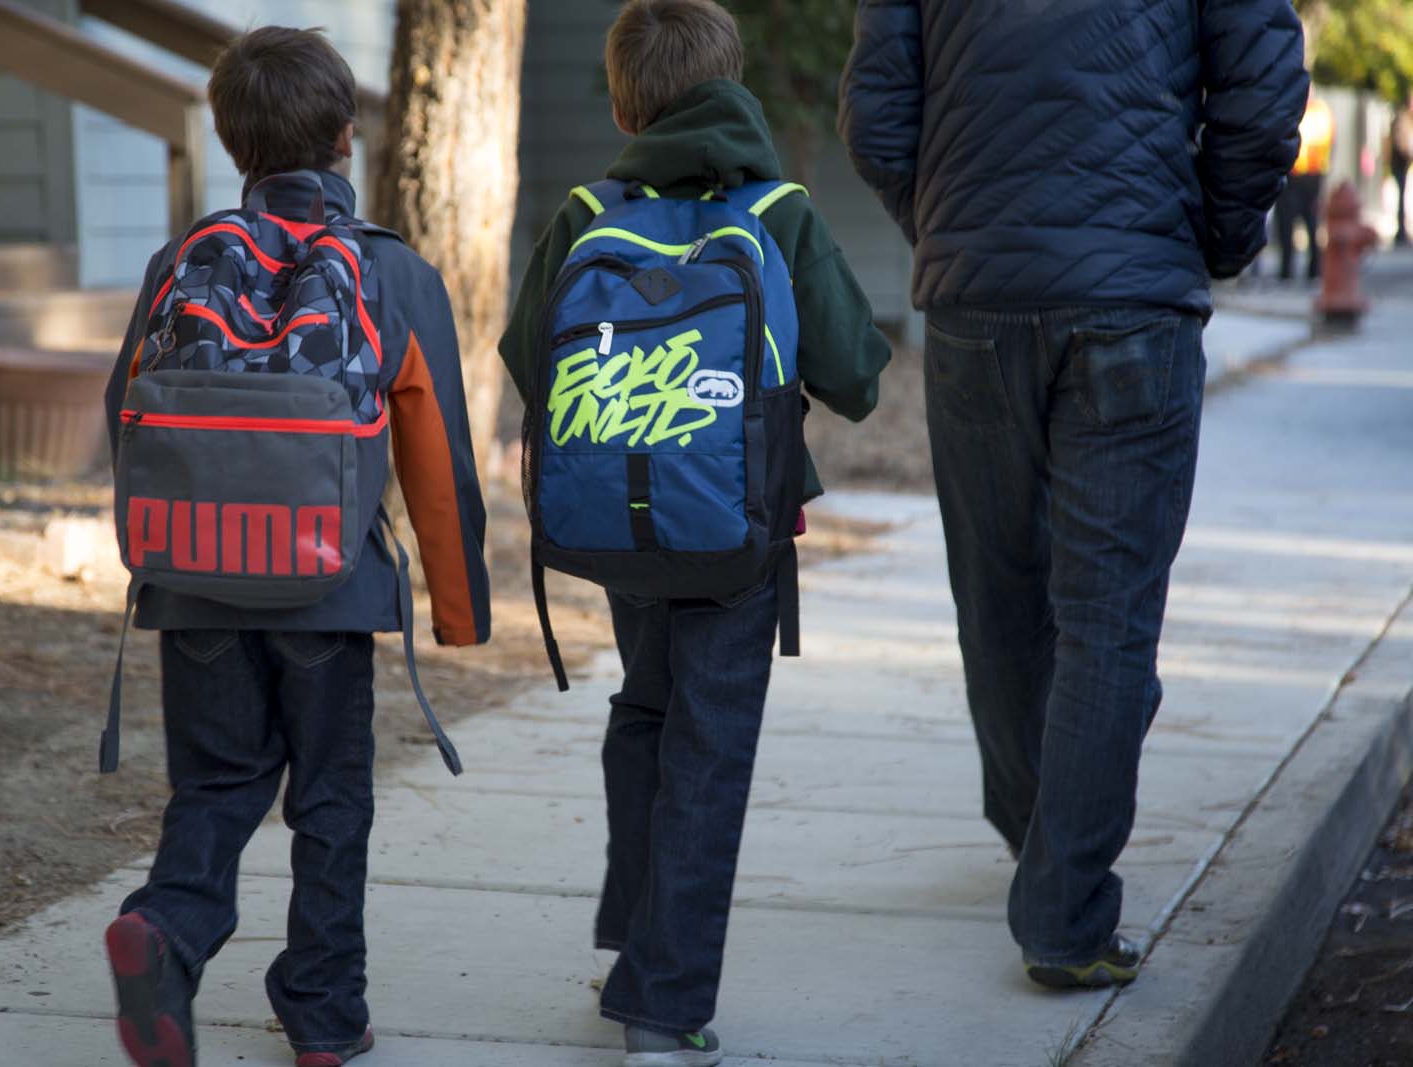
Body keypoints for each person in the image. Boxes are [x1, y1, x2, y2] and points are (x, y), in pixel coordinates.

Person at [840, 0, 1307, 989]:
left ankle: (1040, 833)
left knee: (997, 589)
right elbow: (1261, 101)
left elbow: (877, 115)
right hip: (1132, 297)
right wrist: (1205, 237)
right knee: (1108, 617)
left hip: (976, 298)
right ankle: (1061, 907)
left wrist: (951, 224)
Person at [500, 1, 890, 1061]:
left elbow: (526, 350)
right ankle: (662, 1004)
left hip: (625, 522)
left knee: (647, 706)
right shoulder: (781, 210)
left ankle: (635, 936)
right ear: (733, 83)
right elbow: (856, 376)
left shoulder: (589, 209)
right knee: (709, 744)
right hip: (738, 529)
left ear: (627, 100)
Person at [100, 27, 489, 1067]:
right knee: (329, 798)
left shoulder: (180, 262)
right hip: (328, 587)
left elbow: (124, 419)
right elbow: (437, 458)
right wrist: (459, 611)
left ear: (233, 145)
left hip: (194, 581)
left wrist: (163, 550)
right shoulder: (388, 272)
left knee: (218, 784)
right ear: (345, 137)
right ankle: (322, 1012)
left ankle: (168, 928)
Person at [1275, 89, 1335, 281]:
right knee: (1288, 223)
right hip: (1295, 173)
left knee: (1309, 222)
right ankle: (1289, 268)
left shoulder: (1317, 112)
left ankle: (1311, 268)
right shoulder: (1307, 111)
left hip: (1309, 174)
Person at [1391, 95, 1412, 247]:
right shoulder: (1402, 118)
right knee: (1401, 198)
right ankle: (1401, 231)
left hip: (1404, 163)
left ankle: (1402, 230)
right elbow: (1401, 141)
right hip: (1400, 164)